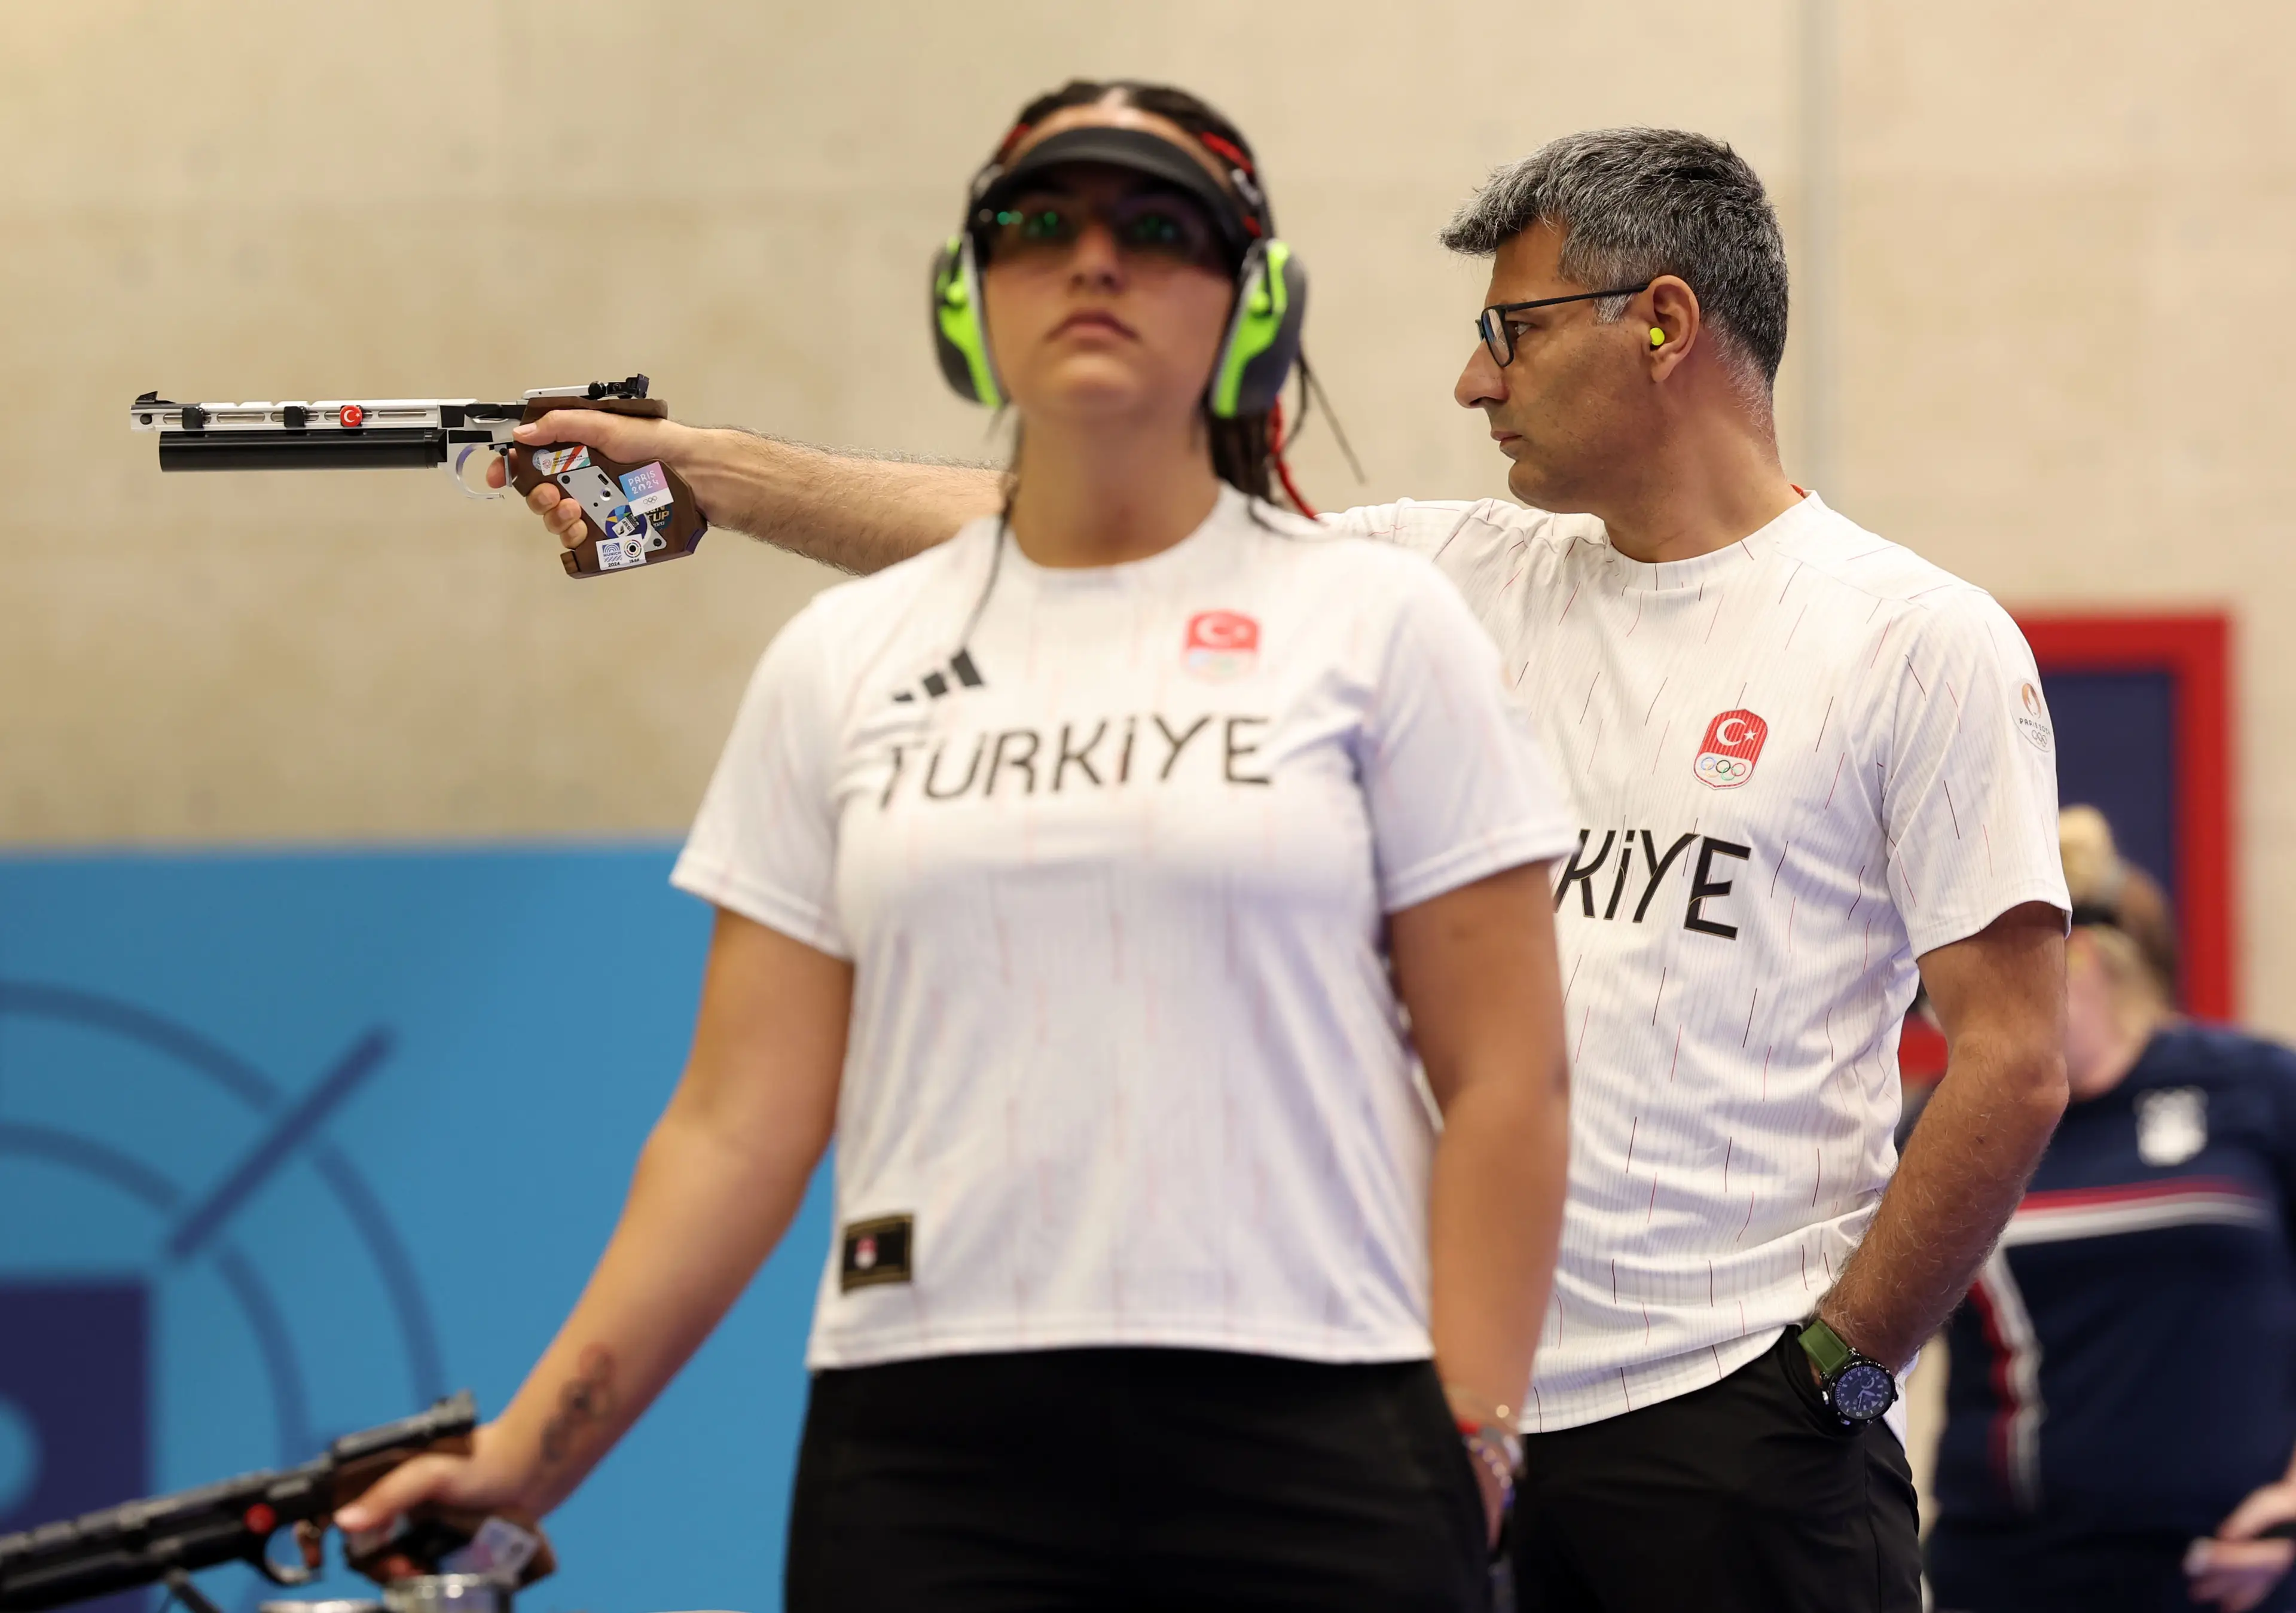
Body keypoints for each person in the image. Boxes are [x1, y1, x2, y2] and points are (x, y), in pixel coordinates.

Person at [493, 111, 2072, 1612]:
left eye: (1512, 329)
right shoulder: (1432, 584)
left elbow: (2011, 1059)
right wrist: (702, 467)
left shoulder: (1911, 641)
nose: (1472, 378)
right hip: (1453, 1424)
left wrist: (1837, 1371)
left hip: (1737, 1432)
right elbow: (1023, 523)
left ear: (1663, 324)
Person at [343, 81, 1579, 1613]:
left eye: (1157, 227)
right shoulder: (841, 662)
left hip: (1321, 1422)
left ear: (1253, 304)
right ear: (965, 296)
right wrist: (534, 1451)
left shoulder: (1387, 632)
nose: (1095, 260)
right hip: (930, 1455)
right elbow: (736, 1125)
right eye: (1037, 225)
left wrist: (1475, 1425)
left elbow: (1509, 1076)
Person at [1924, 806, 2296, 1613]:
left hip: (2228, 1573)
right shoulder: (1936, 1131)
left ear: (2078, 956)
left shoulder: (2255, 1088)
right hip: (2009, 1576)